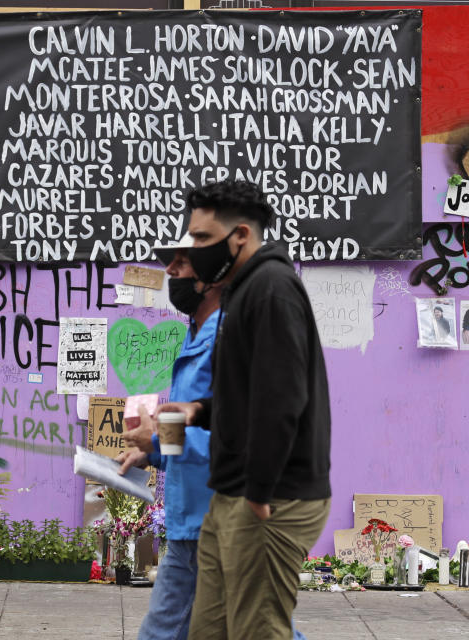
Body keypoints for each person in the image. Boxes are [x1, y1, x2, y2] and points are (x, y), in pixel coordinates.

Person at [155, 180, 331, 640]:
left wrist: (258, 492)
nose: (193, 250)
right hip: (229, 492)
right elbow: (249, 395)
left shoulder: (272, 290)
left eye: (201, 239)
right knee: (209, 630)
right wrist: (198, 411)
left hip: (273, 496)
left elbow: (283, 400)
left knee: (258, 630)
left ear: (240, 238)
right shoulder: (241, 293)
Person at [116, 234, 220, 640]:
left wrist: (159, 441)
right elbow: (196, 433)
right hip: (190, 524)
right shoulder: (193, 338)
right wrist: (153, 452)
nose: (170, 272)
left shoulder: (226, 342)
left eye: (182, 263)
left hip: (214, 526)